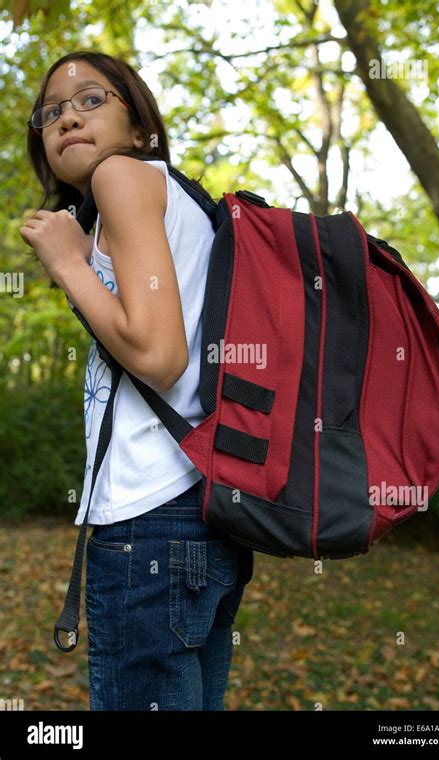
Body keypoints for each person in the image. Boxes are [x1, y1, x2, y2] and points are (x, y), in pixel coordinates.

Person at [20, 50, 254, 711]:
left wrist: (70, 265)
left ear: (142, 129)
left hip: (152, 521)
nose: (67, 116)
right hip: (206, 518)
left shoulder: (123, 177)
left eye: (91, 100)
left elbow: (157, 355)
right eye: (52, 111)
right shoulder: (178, 199)